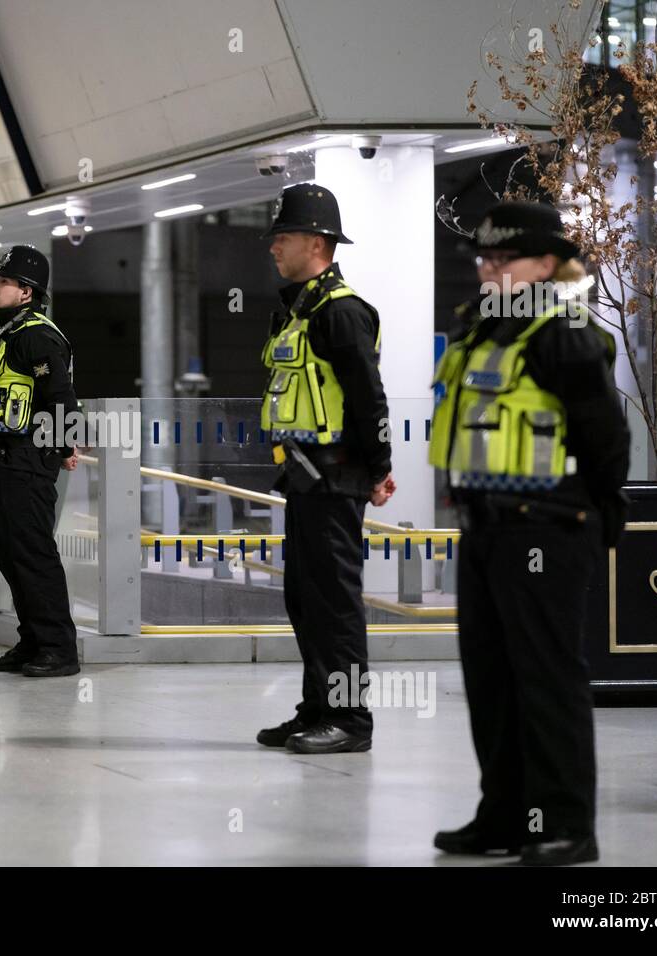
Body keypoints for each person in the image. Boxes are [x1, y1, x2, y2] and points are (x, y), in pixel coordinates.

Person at [428, 200, 629, 866]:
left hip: (546, 526)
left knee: (546, 679)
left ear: (546, 264)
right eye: (483, 259)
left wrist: (603, 507)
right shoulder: (481, 329)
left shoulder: (560, 333)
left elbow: (605, 435)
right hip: (485, 526)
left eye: (501, 259)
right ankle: (506, 818)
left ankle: (568, 826)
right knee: (491, 680)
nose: (487, 270)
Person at [253, 183, 396, 754]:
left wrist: (379, 468)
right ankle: (317, 709)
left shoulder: (341, 313)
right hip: (306, 477)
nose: (273, 248)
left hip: (336, 478)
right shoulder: (301, 310)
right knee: (305, 598)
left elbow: (370, 398)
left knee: (335, 603)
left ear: (317, 242)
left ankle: (350, 720)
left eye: (281, 237)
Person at [0, 245, 82, 677]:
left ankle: (58, 648)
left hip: (30, 460)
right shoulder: (8, 333)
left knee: (33, 554)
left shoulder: (37, 335)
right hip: (7, 458)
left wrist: (66, 446)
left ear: (28, 292)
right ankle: (33, 640)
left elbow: (60, 397)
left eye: (5, 282)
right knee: (12, 555)